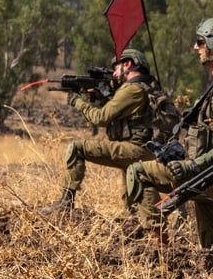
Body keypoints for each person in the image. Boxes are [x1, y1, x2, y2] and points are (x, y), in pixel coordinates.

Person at [125, 18, 213, 249]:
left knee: (138, 172)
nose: (195, 47)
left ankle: (158, 249)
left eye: (200, 42)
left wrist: (191, 166)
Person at [44, 48, 155, 213]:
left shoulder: (131, 89)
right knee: (132, 200)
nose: (115, 73)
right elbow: (120, 114)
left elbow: (100, 118)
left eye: (116, 68)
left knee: (77, 149)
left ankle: (65, 204)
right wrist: (102, 97)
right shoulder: (145, 87)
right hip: (144, 151)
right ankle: (137, 226)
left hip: (136, 150)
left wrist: (78, 102)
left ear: (128, 64)